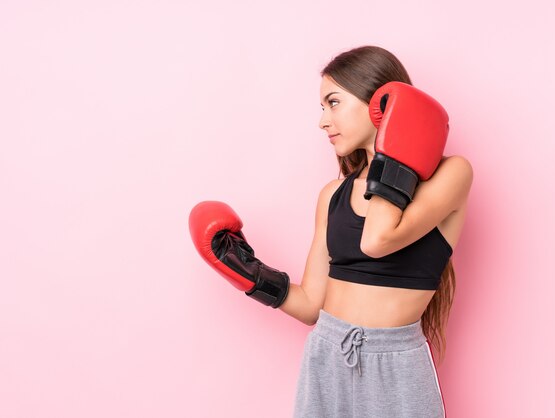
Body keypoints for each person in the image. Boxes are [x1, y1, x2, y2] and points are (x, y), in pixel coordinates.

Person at [188, 45, 473, 418]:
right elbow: (311, 305)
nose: (323, 121)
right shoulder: (332, 196)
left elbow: (377, 239)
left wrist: (401, 145)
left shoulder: (453, 174)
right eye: (323, 108)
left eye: (333, 103)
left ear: (380, 105)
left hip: (397, 364)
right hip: (327, 354)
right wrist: (246, 271)